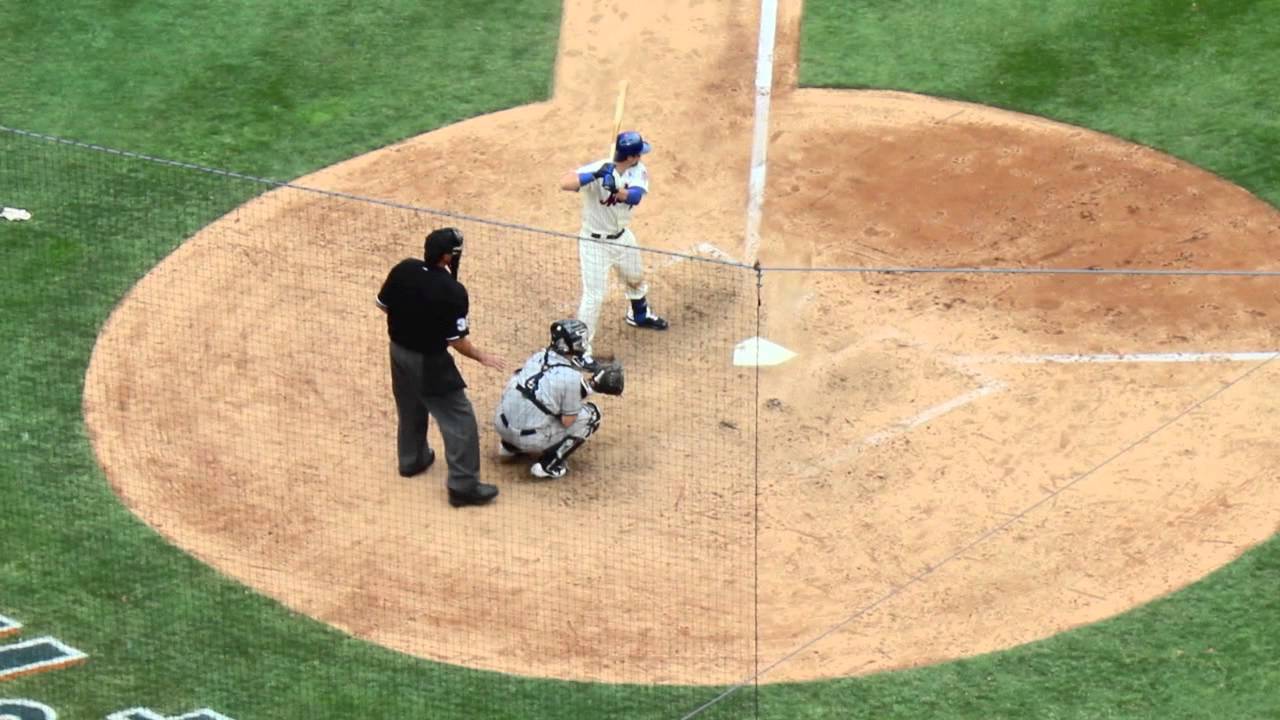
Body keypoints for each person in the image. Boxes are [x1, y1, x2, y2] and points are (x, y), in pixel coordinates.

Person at [376, 227, 508, 507]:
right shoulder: (453, 291)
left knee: (410, 405)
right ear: (447, 258)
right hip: (429, 362)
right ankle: (463, 486)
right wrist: (482, 356)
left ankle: (412, 460)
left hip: (398, 352)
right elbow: (457, 341)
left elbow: (384, 305)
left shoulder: (404, 269)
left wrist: (410, 321)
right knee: (460, 419)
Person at [559, 130, 668, 369]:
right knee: (594, 296)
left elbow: (635, 197)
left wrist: (616, 190)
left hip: (622, 238)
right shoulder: (600, 167)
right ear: (630, 156)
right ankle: (581, 350)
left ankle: (638, 314)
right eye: (639, 153)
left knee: (635, 277)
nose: (642, 156)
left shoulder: (639, 171)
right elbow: (565, 182)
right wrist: (595, 175)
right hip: (594, 243)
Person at [493, 319, 624, 479]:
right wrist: (594, 386)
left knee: (526, 391)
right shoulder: (571, 377)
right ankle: (548, 465)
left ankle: (509, 446)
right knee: (591, 415)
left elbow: (548, 388)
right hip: (530, 439)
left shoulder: (538, 356)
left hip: (501, 424)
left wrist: (586, 387)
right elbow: (567, 421)